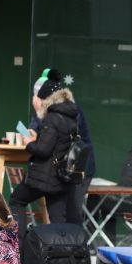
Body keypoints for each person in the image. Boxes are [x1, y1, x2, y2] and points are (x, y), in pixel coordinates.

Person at [10, 75, 82, 243]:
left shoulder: (52, 117)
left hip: (44, 177)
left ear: (44, 99)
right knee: (58, 219)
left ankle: (19, 245)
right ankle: (63, 253)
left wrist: (29, 143)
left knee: (17, 200)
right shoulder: (70, 116)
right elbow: (57, 144)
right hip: (60, 178)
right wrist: (39, 137)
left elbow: (43, 150)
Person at [30, 69, 95, 217]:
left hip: (75, 166)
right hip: (60, 168)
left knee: (71, 212)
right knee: (60, 212)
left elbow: (56, 135)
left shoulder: (68, 110)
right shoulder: (51, 110)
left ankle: (73, 233)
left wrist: (40, 117)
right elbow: (40, 131)